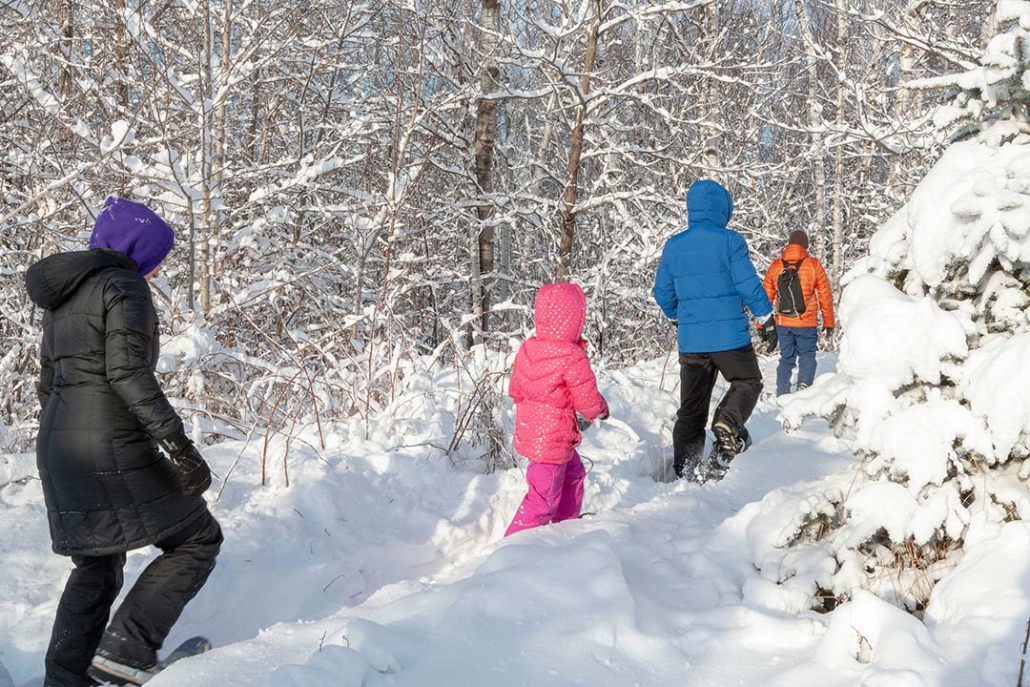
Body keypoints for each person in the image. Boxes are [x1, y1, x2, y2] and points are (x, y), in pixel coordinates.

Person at [25, 196, 221, 687]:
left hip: (58, 444)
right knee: (196, 538)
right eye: (155, 260)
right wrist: (179, 446)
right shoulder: (123, 284)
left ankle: (65, 678)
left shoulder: (65, 297)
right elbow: (128, 373)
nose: (155, 272)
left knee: (98, 560)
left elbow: (48, 385)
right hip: (109, 443)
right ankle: (125, 653)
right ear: (139, 252)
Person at [653, 179, 777, 480]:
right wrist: (766, 317)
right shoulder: (729, 241)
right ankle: (727, 422)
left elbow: (662, 292)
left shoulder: (674, 245)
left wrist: (678, 317)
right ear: (723, 209)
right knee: (747, 380)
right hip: (729, 338)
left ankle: (685, 470)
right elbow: (747, 284)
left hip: (692, 341)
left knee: (691, 408)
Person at [505, 282, 608, 536]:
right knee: (542, 500)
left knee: (573, 474)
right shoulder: (571, 356)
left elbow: (516, 388)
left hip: (535, 431)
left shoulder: (529, 348)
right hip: (552, 439)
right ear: (575, 320)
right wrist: (599, 410)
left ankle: (564, 529)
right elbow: (586, 396)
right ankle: (511, 549)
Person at [761, 230, 835, 396]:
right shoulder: (813, 265)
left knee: (786, 358)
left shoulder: (776, 266)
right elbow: (825, 295)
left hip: (783, 323)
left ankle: (782, 393)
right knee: (807, 355)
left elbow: (766, 297)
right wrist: (829, 321)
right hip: (806, 323)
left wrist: (762, 325)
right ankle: (803, 389)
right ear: (805, 246)